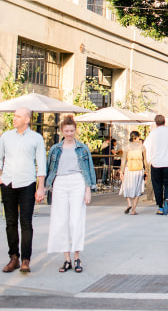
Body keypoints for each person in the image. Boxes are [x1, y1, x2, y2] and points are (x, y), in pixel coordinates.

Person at [0, 107, 46, 274]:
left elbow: (41, 164)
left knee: (26, 222)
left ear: (27, 120)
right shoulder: (6, 136)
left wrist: (41, 187)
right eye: (14, 116)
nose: (14, 119)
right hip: (7, 183)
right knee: (10, 222)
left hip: (27, 183)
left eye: (18, 116)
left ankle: (25, 259)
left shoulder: (36, 138)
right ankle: (13, 257)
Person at [45, 115, 96, 274]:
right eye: (66, 131)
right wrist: (46, 187)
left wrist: (88, 189)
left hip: (77, 182)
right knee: (60, 221)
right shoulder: (55, 149)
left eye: (72, 130)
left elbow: (88, 169)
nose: (69, 133)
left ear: (75, 130)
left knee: (76, 219)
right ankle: (66, 258)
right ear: (62, 131)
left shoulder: (82, 148)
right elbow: (49, 169)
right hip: (60, 182)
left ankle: (76, 257)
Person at [119, 131, 146, 215]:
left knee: (126, 186)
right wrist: (147, 171)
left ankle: (129, 204)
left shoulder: (126, 147)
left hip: (129, 168)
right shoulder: (142, 147)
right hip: (139, 168)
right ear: (137, 137)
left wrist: (121, 171)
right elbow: (145, 160)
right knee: (137, 188)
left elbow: (123, 160)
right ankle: (133, 210)